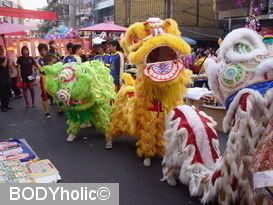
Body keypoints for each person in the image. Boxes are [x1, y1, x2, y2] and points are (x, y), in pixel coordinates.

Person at [36, 43, 52, 119]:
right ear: (39, 51)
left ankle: (60, 109)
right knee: (44, 95)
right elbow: (42, 70)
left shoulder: (49, 58)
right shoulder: (38, 60)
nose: (43, 52)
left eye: (44, 50)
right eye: (41, 51)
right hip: (44, 78)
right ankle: (47, 112)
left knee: (56, 93)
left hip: (52, 78)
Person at [0, 45, 12, 112]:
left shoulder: (5, 57)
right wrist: (7, 58)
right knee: (3, 93)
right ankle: (3, 106)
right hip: (1, 78)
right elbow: (4, 65)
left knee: (8, 92)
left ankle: (7, 105)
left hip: (7, 77)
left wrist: (9, 59)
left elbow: (9, 66)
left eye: (2, 49)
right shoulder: (2, 58)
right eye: (0, 49)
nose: (2, 50)